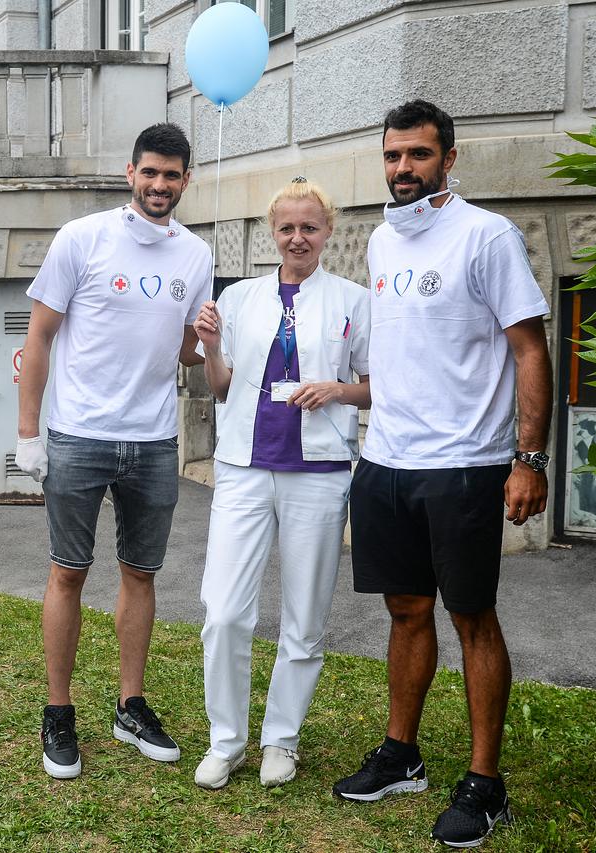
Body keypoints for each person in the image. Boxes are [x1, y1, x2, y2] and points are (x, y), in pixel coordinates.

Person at [332, 100, 551, 849]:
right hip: (388, 459)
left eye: (418, 155)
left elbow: (529, 349)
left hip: (464, 465)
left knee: (472, 617)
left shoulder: (487, 236)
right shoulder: (384, 243)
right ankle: (402, 753)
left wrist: (529, 458)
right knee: (404, 611)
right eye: (392, 156)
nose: (402, 169)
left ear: (448, 159)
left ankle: (485, 784)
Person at [17, 123, 213, 779]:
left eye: (173, 174)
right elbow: (39, 337)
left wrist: (208, 338)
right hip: (79, 434)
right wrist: (27, 432)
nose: (160, 185)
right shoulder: (83, 239)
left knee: (140, 573)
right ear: (130, 173)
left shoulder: (196, 255)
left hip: (154, 439)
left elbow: (185, 347)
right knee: (67, 571)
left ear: (187, 179)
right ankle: (58, 709)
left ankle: (130, 704)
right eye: (150, 172)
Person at [191, 179, 371, 791]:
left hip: (318, 473)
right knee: (223, 609)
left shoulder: (353, 300)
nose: (298, 238)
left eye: (310, 227)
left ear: (329, 232)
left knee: (304, 616)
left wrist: (339, 391)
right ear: (272, 232)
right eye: (287, 228)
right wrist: (212, 347)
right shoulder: (238, 298)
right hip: (244, 468)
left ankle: (281, 741)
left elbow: (377, 382)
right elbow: (219, 386)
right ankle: (227, 740)